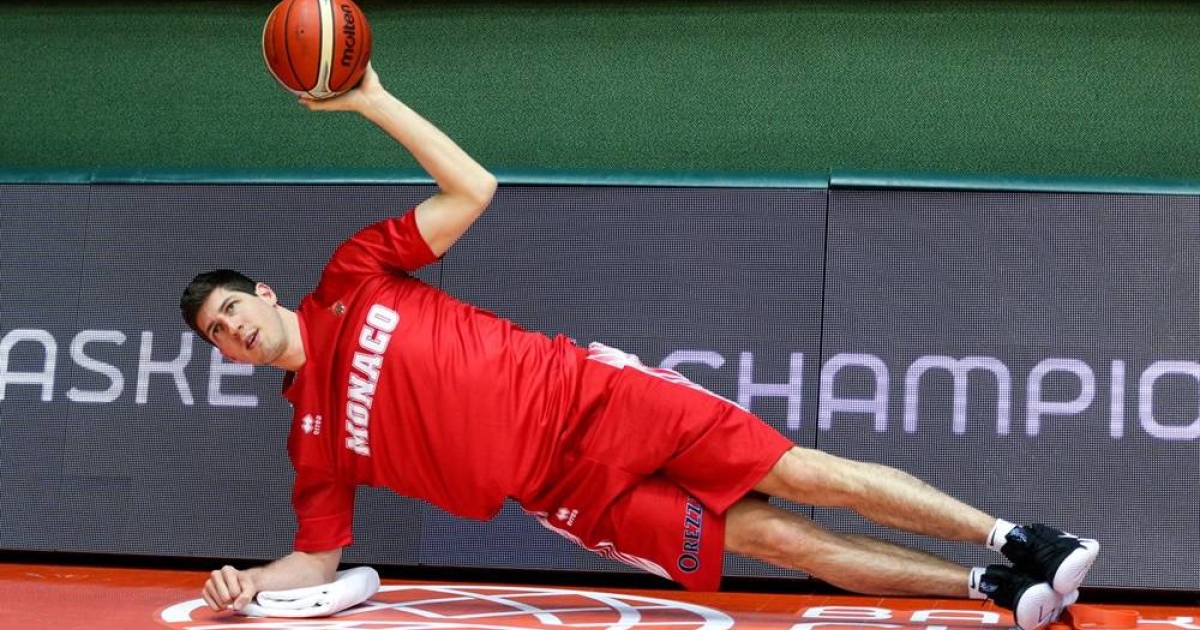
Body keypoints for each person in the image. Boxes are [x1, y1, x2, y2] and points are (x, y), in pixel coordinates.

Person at [180, 65, 1099, 630]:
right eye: (218, 334)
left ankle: (1022, 538)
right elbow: (315, 563)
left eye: (231, 308)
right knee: (778, 539)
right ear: (229, 356)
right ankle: (988, 587)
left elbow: (472, 189)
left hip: (597, 398)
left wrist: (372, 100)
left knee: (805, 473)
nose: (233, 328)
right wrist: (245, 583)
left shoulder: (352, 275)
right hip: (569, 491)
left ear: (263, 292)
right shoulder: (312, 442)